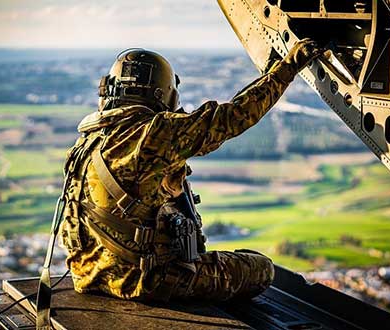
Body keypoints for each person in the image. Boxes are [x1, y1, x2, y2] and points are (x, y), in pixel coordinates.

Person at [59, 39, 321, 302]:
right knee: (261, 268)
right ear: (162, 94)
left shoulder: (86, 143)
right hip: (144, 282)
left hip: (89, 276)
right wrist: (287, 67)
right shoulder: (155, 133)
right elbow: (234, 116)